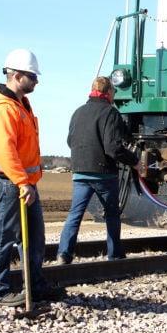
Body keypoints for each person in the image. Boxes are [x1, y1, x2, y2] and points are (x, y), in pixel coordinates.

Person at [0, 49, 60, 307]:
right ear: (16, 75)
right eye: (32, 76)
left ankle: (35, 286)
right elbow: (5, 150)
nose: (36, 81)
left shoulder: (20, 103)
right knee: (2, 238)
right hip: (7, 183)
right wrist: (22, 182)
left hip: (22, 183)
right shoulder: (3, 109)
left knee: (35, 237)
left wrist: (27, 182)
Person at [56, 76, 139, 265]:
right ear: (108, 91)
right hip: (103, 173)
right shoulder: (110, 113)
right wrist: (134, 161)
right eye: (114, 91)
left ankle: (63, 254)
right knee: (111, 215)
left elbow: (70, 141)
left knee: (75, 214)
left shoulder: (78, 112)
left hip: (80, 171)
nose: (115, 94)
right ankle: (115, 255)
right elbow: (113, 148)